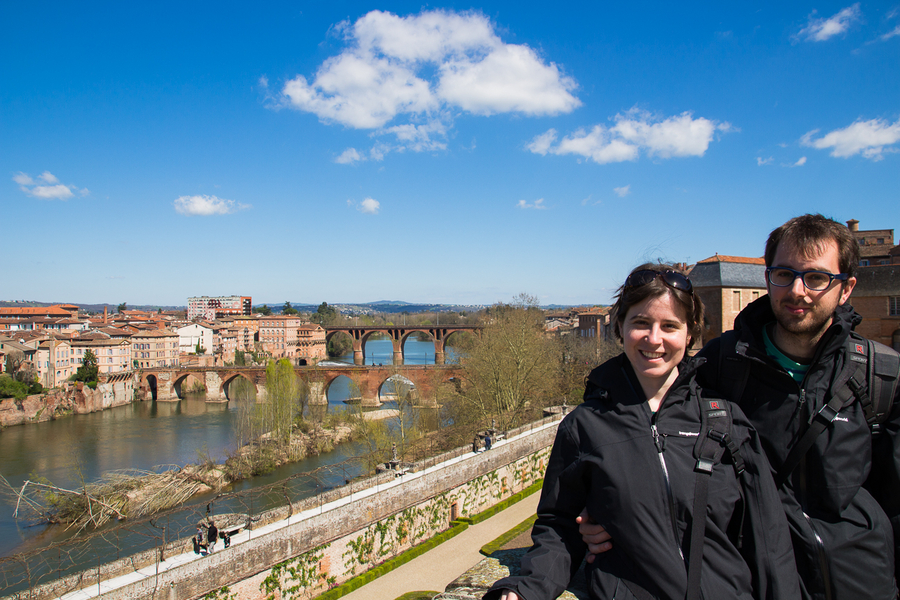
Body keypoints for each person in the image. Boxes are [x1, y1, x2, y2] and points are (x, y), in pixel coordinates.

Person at [580, 215, 900, 600]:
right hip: (752, 579)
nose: (797, 290)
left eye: (816, 278)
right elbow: (645, 423)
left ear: (845, 288)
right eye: (784, 274)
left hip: (860, 583)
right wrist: (600, 505)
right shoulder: (721, 364)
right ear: (767, 278)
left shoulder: (881, 376)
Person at [485, 263, 799, 600]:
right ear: (620, 327)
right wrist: (526, 590)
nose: (654, 339)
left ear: (689, 334)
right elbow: (559, 528)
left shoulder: (726, 421)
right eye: (641, 323)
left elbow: (769, 539)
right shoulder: (585, 427)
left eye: (669, 326)